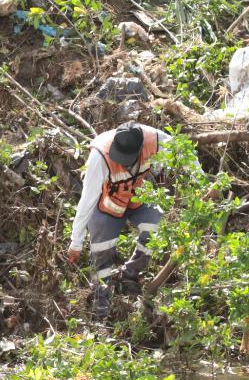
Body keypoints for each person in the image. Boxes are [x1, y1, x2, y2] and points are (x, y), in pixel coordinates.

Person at [66, 123, 171, 318]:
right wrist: (76, 242)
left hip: (138, 198)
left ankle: (129, 275)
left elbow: (184, 151)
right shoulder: (100, 156)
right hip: (108, 206)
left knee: (156, 225)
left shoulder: (154, 139)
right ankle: (101, 299)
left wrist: (201, 184)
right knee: (101, 250)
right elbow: (87, 201)